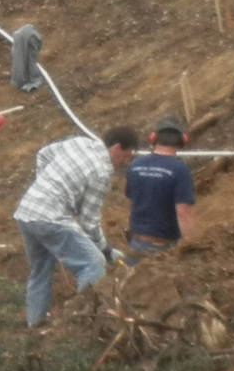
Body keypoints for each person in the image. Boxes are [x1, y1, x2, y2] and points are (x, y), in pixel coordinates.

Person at [11, 125, 139, 326]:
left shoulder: (80, 142)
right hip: (50, 218)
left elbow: (43, 154)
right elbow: (89, 223)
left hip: (27, 212)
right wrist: (106, 250)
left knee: (40, 273)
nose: (125, 163)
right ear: (116, 147)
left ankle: (34, 327)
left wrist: (46, 184)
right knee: (94, 264)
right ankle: (82, 325)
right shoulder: (102, 172)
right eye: (126, 156)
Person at [123, 116, 199, 259]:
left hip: (136, 242)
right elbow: (183, 212)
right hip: (162, 247)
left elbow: (131, 200)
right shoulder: (179, 169)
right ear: (182, 141)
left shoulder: (135, 165)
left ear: (153, 139)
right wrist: (192, 245)